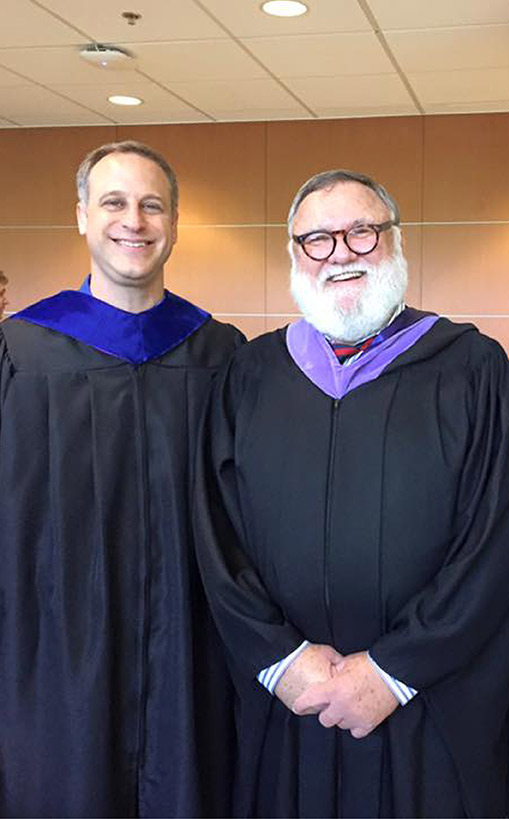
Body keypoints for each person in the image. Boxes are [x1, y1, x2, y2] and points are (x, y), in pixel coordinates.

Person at [193, 169, 509, 816]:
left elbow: (498, 538)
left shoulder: (470, 366)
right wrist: (279, 659)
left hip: (423, 703)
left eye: (362, 231)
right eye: (317, 238)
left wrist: (394, 669)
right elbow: (216, 535)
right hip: (290, 702)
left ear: (396, 240)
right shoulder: (250, 374)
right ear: (293, 254)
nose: (342, 253)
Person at [0, 141, 242, 816]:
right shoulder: (22, 351)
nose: (132, 220)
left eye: (151, 204)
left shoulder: (220, 353)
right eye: (113, 202)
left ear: (173, 219)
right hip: (52, 649)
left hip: (191, 650)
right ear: (81, 216)